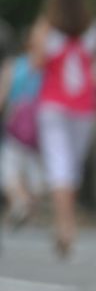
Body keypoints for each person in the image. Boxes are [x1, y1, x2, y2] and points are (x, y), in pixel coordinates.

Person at [30, 0, 96, 259]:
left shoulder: (46, 29)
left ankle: (64, 226)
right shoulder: (93, 29)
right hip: (83, 105)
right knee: (71, 166)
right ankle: (66, 225)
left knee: (60, 166)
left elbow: (37, 63)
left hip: (53, 104)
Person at [2, 48, 45, 229]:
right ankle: (30, 210)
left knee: (8, 168)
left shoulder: (14, 66)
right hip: (40, 127)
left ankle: (21, 201)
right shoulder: (48, 67)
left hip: (16, 127)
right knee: (34, 170)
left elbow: (2, 95)